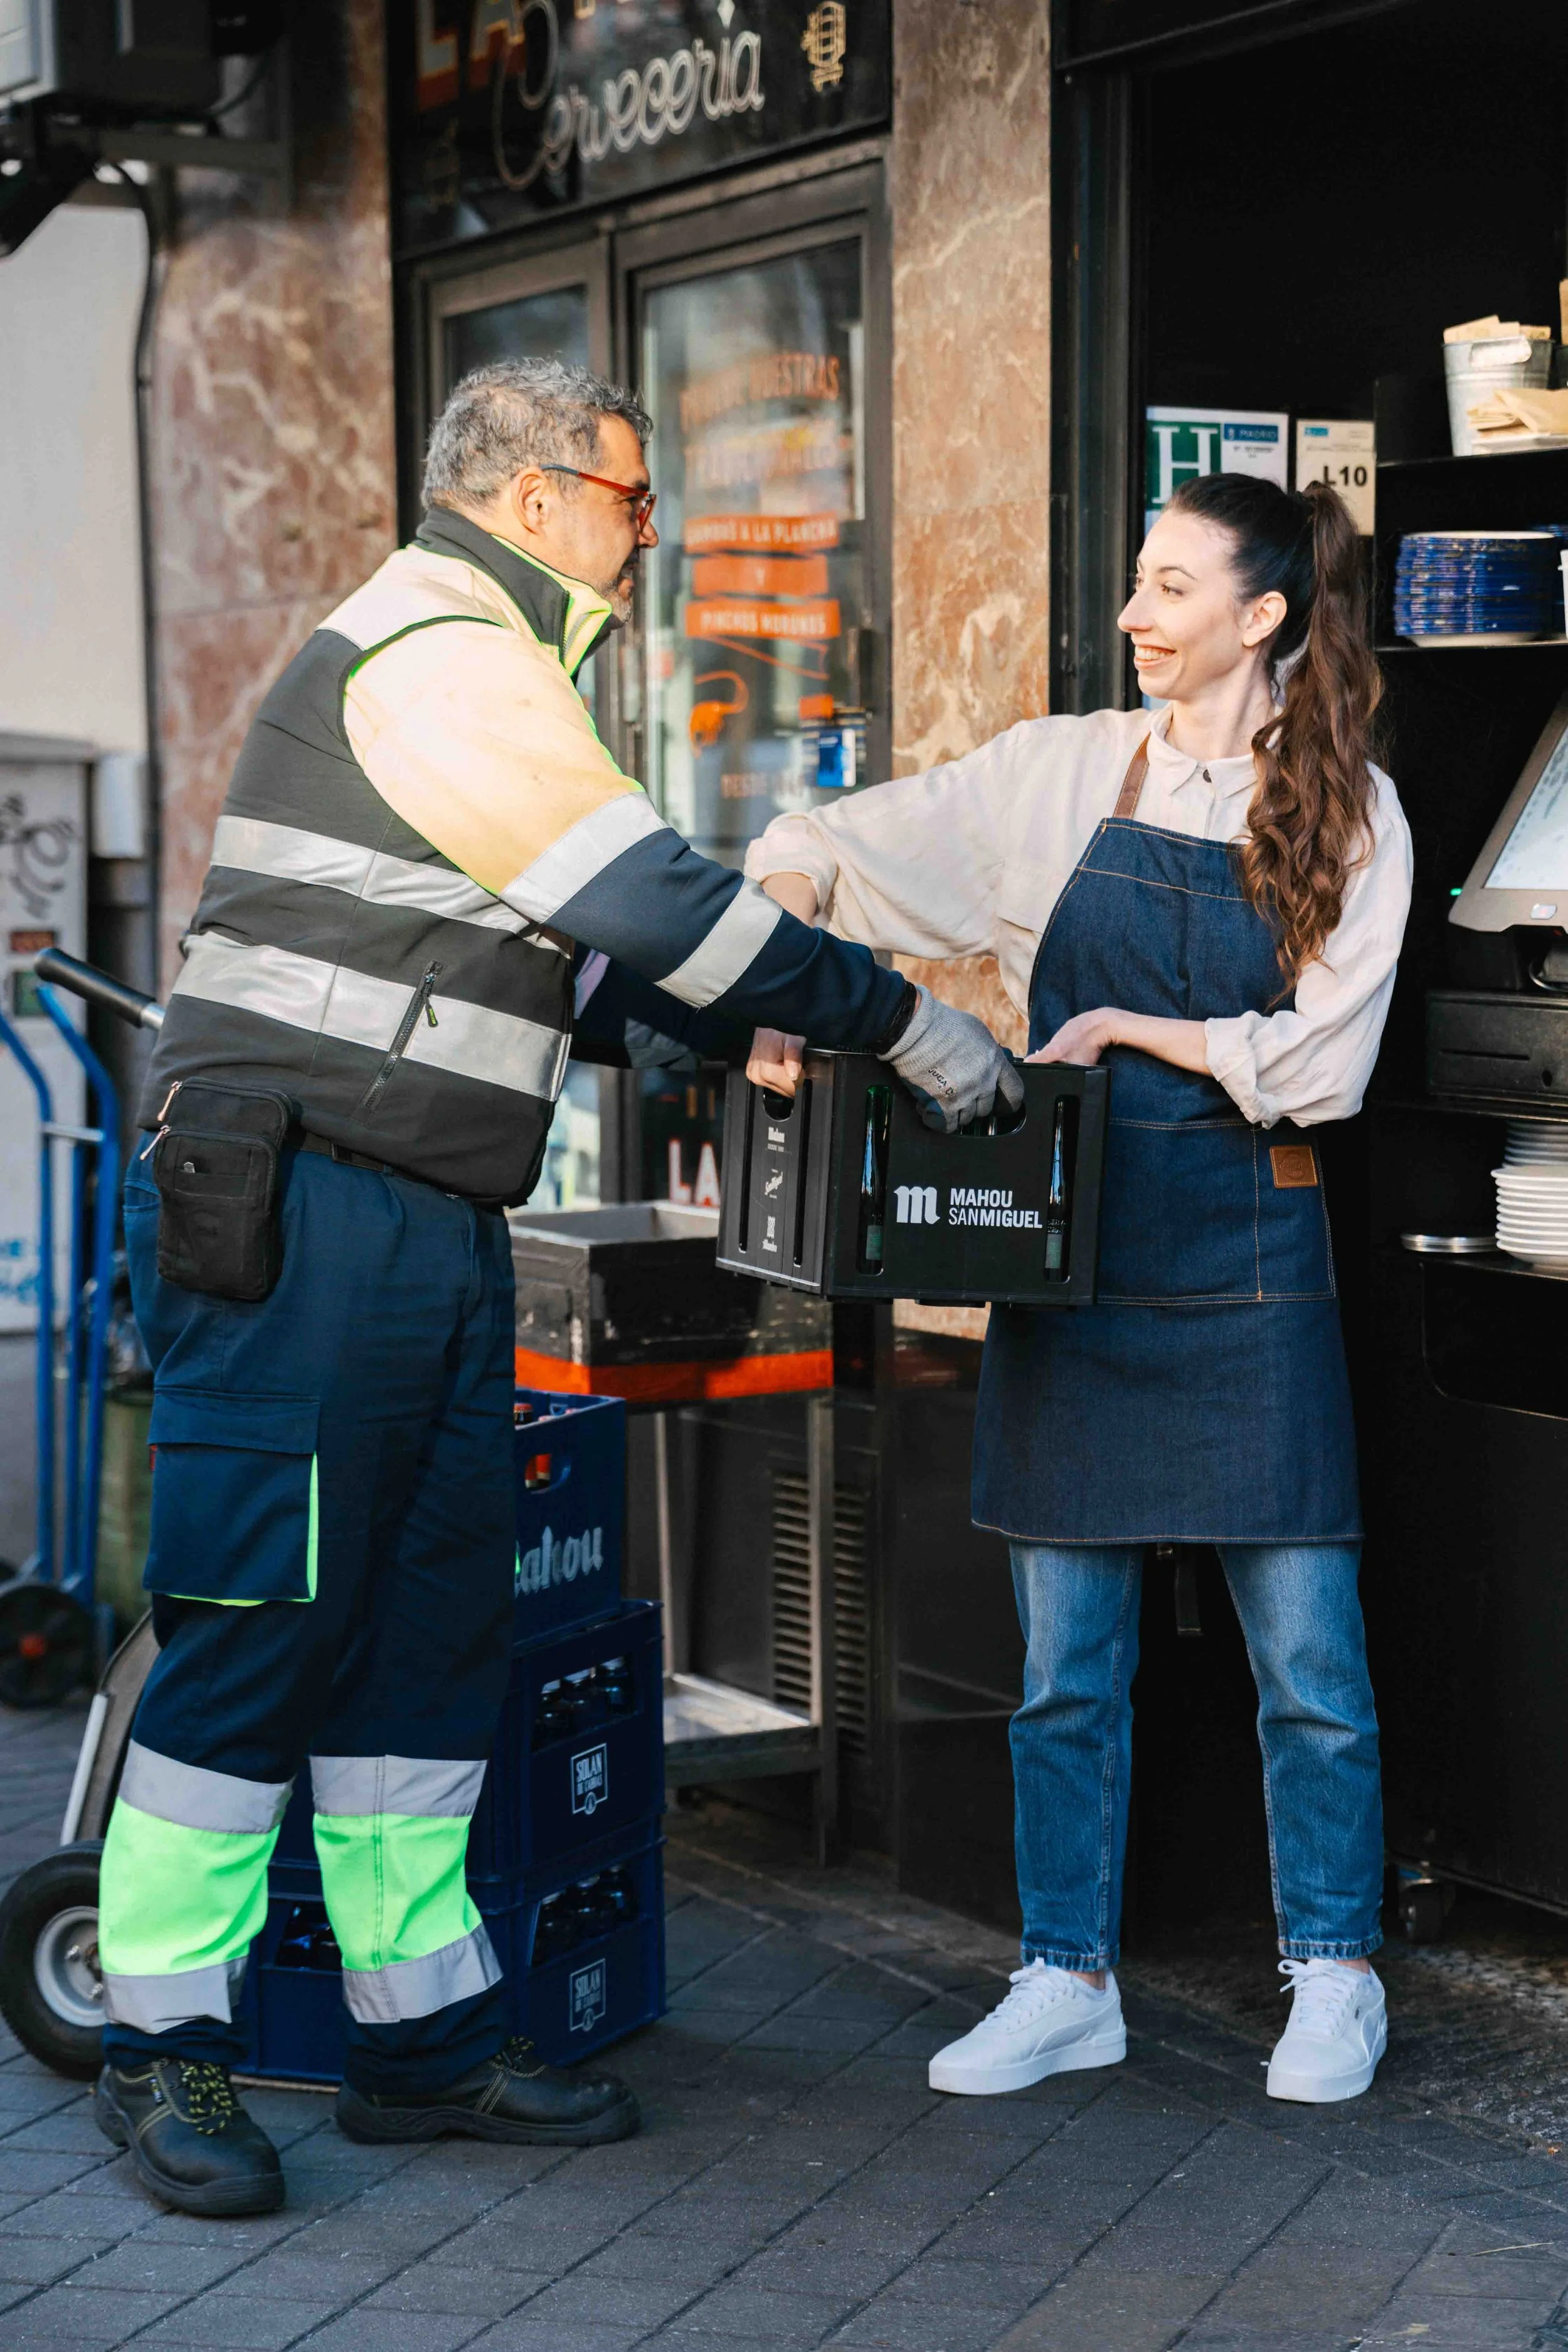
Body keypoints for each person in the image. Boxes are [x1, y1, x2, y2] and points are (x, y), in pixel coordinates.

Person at [94, 358, 1018, 2219]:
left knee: (430, 1645)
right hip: (300, 1215)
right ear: (528, 501)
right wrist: (901, 1022)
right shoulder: (443, 648)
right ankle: (161, 2047)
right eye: (625, 488)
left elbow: (575, 971)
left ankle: (420, 2035)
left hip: (417, 1219)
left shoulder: (482, 664)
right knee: (261, 1624)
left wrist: (715, 1045)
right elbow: (657, 904)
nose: (646, 520)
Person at [746, 474, 1412, 2107]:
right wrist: (771, 946)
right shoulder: (1056, 777)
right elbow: (829, 841)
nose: (1132, 615)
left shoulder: (1347, 809)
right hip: (1070, 1260)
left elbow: (1320, 1068)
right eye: (1134, 583)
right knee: (1063, 1670)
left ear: (1259, 619)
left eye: (1168, 588)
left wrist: (1139, 1031)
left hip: (1249, 1259)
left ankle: (1332, 1973)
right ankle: (1063, 1978)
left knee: (1309, 1667)